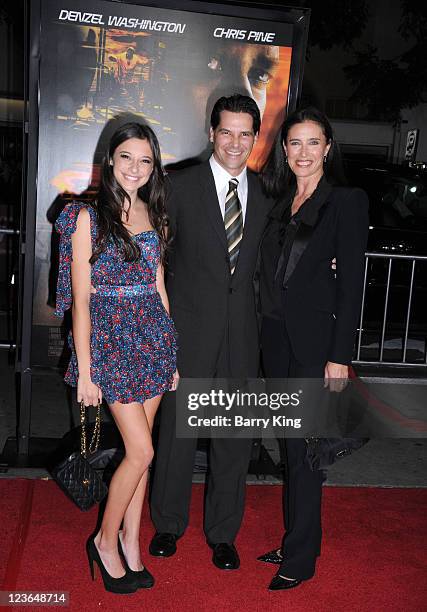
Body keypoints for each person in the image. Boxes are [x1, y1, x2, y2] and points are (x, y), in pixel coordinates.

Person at [149, 94, 272, 570]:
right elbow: (155, 258)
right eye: (227, 131)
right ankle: (167, 525)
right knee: (177, 435)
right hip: (188, 333)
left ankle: (223, 534)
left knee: (233, 441)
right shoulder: (178, 186)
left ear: (255, 138)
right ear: (211, 132)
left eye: (245, 133)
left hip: (242, 338)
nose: (235, 142)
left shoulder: (266, 194)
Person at [54, 122, 178, 594]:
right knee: (142, 450)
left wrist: (172, 357)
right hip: (110, 344)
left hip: (153, 341)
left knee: (140, 456)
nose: (135, 168)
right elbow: (81, 302)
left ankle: (131, 541)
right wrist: (86, 370)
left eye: (145, 161)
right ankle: (104, 542)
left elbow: (159, 288)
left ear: (153, 167)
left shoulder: (155, 212)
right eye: (127, 157)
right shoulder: (86, 215)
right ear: (111, 159)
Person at [256, 107, 369, 590]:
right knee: (290, 446)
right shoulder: (280, 202)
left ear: (328, 147)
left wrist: (339, 356)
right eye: (295, 143)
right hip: (275, 342)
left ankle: (300, 558)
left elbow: (352, 287)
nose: (303, 152)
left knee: (306, 453)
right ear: (285, 150)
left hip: (316, 346)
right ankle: (297, 538)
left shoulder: (345, 201)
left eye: (313, 143)